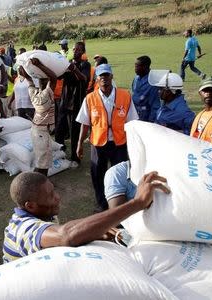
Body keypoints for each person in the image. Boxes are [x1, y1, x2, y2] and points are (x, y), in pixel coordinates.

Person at [3, 171, 169, 263]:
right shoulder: (23, 230)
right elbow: (66, 235)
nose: (57, 197)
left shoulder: (42, 215)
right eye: (50, 195)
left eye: (54, 191)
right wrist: (138, 202)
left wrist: (94, 232)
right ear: (30, 206)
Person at [76, 64, 138, 211]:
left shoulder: (125, 96)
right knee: (98, 175)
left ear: (112, 76)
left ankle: (122, 207)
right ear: (96, 79)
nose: (104, 78)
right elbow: (84, 124)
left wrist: (134, 145)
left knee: (123, 176)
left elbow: (132, 122)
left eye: (107, 75)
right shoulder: (90, 98)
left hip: (119, 143)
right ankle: (102, 205)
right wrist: (79, 144)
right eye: (101, 76)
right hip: (98, 143)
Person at [19, 59, 57, 176]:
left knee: (40, 160)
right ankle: (39, 183)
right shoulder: (46, 95)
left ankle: (35, 180)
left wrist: (24, 72)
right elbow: (54, 77)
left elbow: (30, 81)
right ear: (46, 85)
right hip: (42, 132)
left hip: (36, 130)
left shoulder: (34, 93)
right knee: (43, 163)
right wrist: (39, 65)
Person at [56, 41, 90, 167]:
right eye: (74, 49)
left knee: (74, 131)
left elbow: (84, 78)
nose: (75, 51)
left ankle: (75, 158)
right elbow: (59, 77)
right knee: (59, 129)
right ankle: (60, 153)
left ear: (83, 52)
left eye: (78, 50)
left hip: (76, 102)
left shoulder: (85, 64)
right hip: (64, 101)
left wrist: (74, 69)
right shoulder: (68, 64)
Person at [131, 56, 160, 122]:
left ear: (145, 67)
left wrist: (151, 122)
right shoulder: (136, 79)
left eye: (137, 66)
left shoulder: (152, 83)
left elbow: (155, 106)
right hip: (134, 115)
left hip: (146, 117)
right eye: (135, 66)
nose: (135, 69)